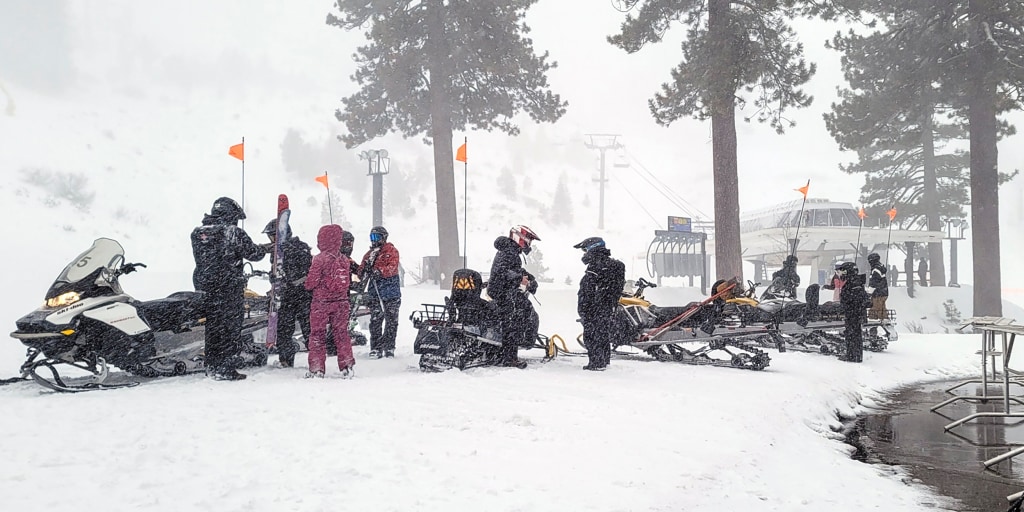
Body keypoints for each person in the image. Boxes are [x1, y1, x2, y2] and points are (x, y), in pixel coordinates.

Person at [190, 197, 268, 381]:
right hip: (228, 286)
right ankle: (226, 367)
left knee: (213, 327)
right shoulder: (232, 232)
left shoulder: (197, 232)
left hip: (205, 287)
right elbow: (253, 254)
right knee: (230, 328)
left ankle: (212, 364)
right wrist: (265, 249)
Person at [304, 224, 355, 378]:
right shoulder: (344, 260)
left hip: (321, 302)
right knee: (341, 334)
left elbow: (311, 282)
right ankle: (347, 365)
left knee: (317, 335)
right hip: (341, 302)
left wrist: (307, 284)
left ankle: (317, 368)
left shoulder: (319, 259)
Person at [487, 225, 541, 369]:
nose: (530, 243)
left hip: (504, 291)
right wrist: (519, 278)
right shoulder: (508, 252)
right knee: (514, 321)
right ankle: (510, 358)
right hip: (502, 293)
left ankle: (510, 349)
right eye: (529, 239)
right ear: (521, 237)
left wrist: (528, 277)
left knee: (523, 312)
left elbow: (514, 270)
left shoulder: (510, 252)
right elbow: (503, 271)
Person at [262, 218, 313, 368]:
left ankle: (315, 360)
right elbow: (277, 269)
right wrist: (274, 278)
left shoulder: (300, 246)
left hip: (303, 293)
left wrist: (293, 251)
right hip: (286, 295)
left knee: (308, 328)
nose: (271, 240)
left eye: (273, 236)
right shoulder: (276, 252)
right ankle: (285, 359)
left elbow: (308, 263)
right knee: (284, 328)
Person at [574, 237, 625, 371]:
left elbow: (588, 290)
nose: (584, 254)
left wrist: (584, 308)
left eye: (585, 250)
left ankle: (596, 363)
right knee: (603, 335)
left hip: (594, 309)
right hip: (607, 307)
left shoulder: (596, 266)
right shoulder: (614, 265)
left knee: (592, 336)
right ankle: (604, 361)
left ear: (592, 248)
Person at [358, 226, 401, 358]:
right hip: (375, 292)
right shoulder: (370, 254)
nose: (374, 241)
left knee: (391, 320)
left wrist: (379, 271)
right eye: (372, 237)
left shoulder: (391, 251)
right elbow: (361, 271)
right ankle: (376, 347)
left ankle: (389, 347)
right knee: (375, 320)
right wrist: (363, 270)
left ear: (384, 237)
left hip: (390, 292)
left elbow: (392, 267)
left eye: (376, 237)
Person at [837, 261, 868, 363]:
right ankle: (857, 356)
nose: (842, 274)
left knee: (851, 334)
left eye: (843, 272)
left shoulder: (852, 283)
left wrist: (844, 304)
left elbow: (849, 298)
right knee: (857, 334)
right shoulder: (858, 282)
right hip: (857, 312)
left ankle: (851, 356)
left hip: (852, 313)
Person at [866, 253, 889, 321]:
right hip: (884, 292)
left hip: (877, 293)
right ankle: (885, 320)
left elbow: (874, 282)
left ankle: (873, 325)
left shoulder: (876, 269)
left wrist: (869, 292)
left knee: (874, 310)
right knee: (882, 308)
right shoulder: (880, 267)